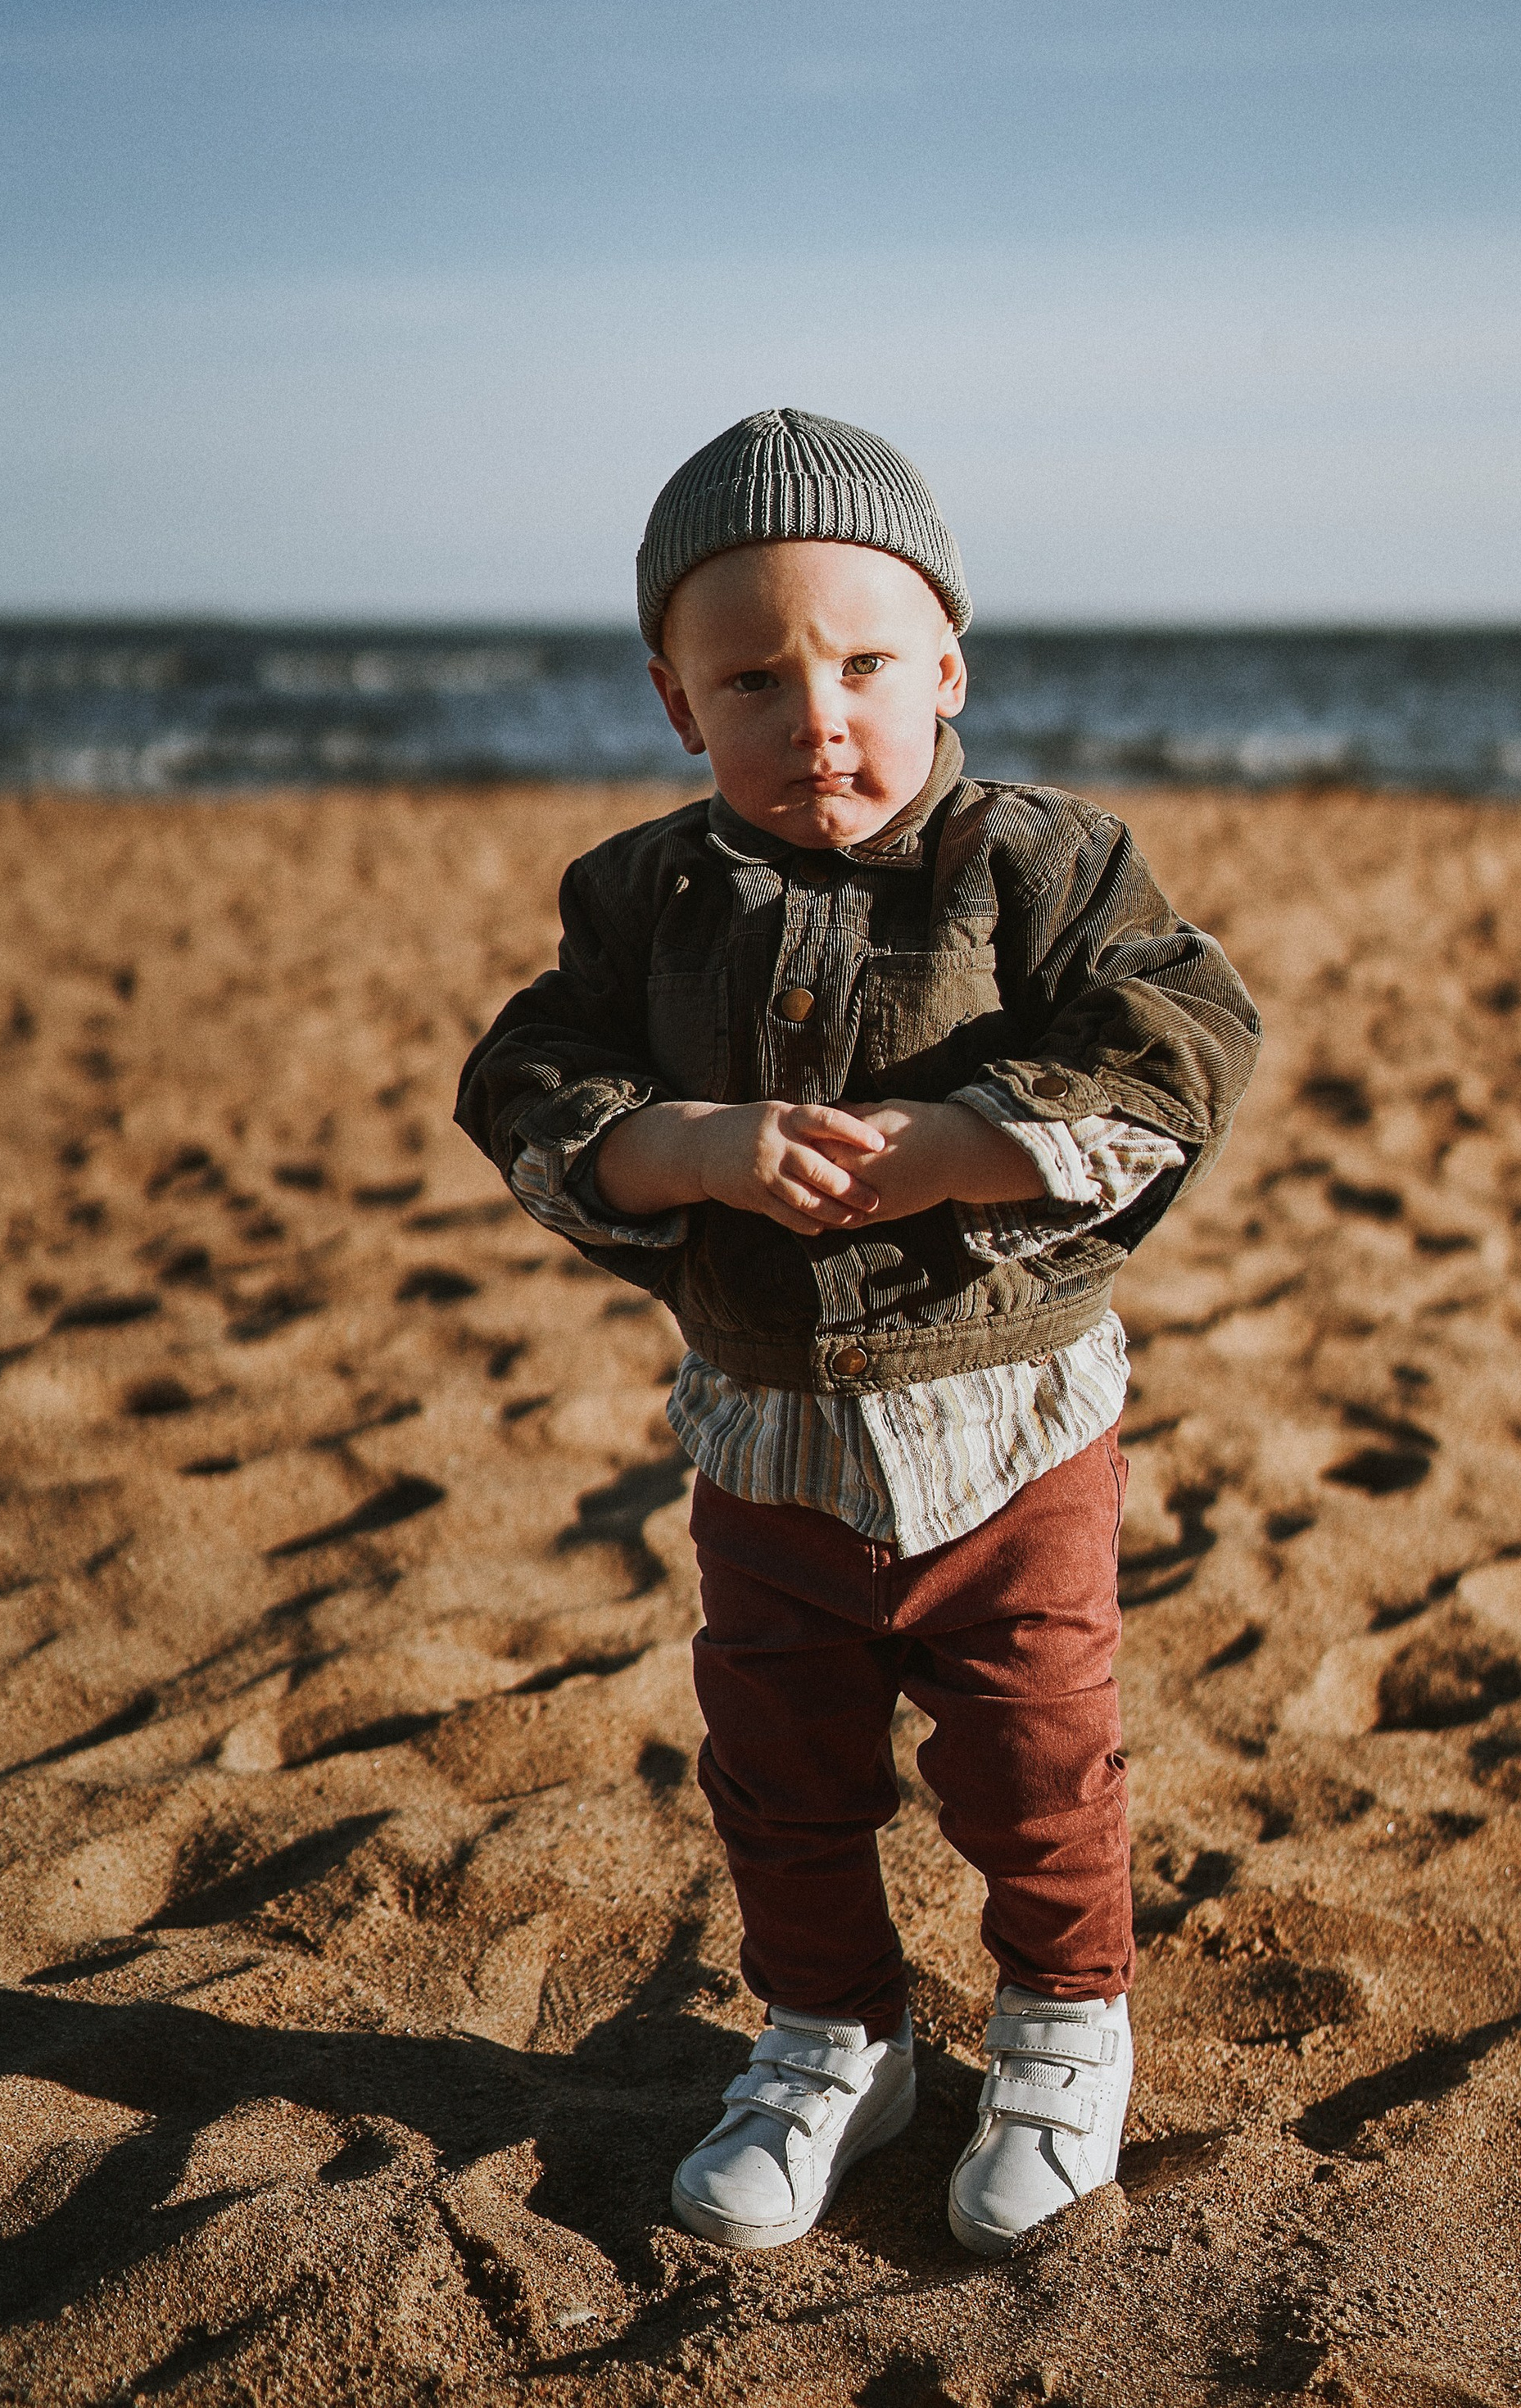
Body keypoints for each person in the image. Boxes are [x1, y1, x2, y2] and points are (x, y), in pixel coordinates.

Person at [455, 408, 1258, 2256]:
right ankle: (833, 2036)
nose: (814, 714)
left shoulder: (1038, 866)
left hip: (1008, 1427)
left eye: (864, 664)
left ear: (949, 666)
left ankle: (1064, 2032)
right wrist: (678, 1147)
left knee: (1034, 1756)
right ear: (676, 702)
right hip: (769, 1435)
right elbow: (527, 1076)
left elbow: (1185, 1039)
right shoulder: (642, 895)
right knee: (779, 1765)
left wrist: (972, 1146)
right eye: (752, 677)